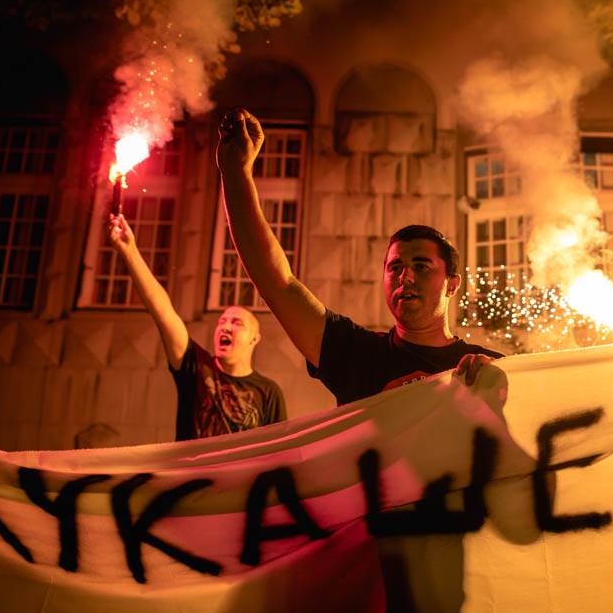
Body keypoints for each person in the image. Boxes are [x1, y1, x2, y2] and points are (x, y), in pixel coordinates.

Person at [215, 108, 501, 406]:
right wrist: (236, 172)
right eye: (395, 267)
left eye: (421, 266)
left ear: (452, 284)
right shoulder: (356, 355)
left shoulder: (485, 370)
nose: (405, 277)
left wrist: (503, 384)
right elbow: (279, 285)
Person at [107, 213, 287, 439]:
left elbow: (279, 451)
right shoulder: (195, 367)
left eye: (236, 323)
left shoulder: (269, 393)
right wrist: (129, 251)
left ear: (254, 338)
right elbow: (164, 313)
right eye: (222, 321)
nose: (225, 327)